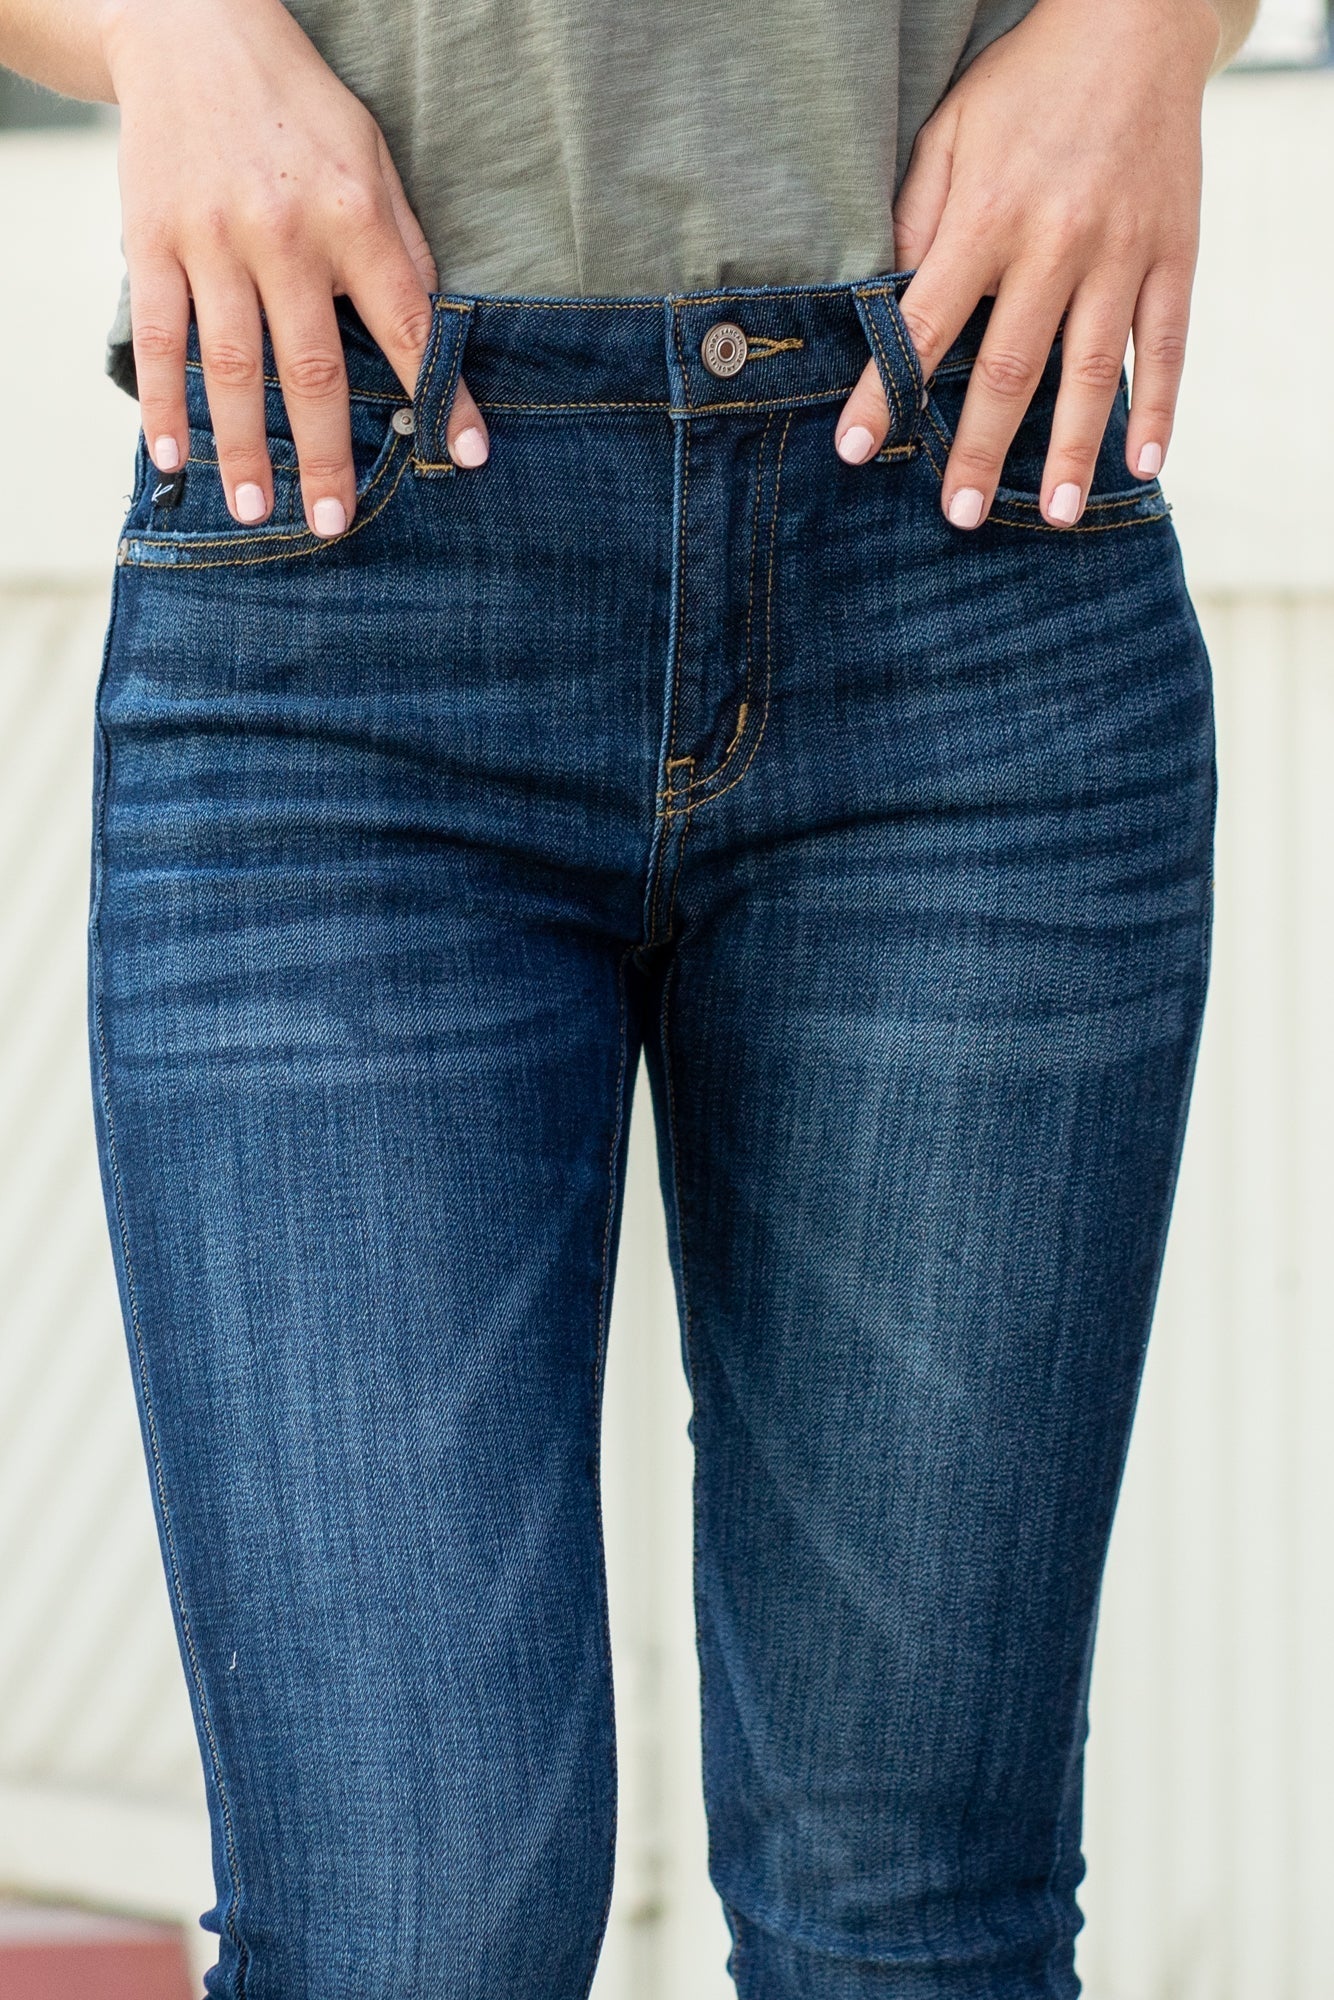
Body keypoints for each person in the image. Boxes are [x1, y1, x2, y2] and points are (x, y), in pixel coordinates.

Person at [1, 0, 1256, 1993]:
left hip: (959, 534)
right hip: (343, 563)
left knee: (911, 1924)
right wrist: (169, 35)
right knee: (404, 1934)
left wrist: (1144, 33)